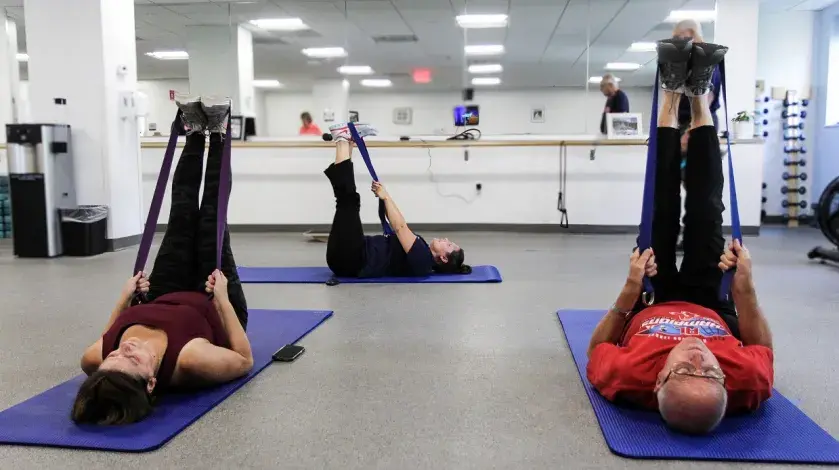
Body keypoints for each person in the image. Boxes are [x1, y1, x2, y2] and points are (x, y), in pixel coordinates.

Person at [585, 38, 774, 435]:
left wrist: (631, 286)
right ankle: (700, 94)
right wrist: (745, 288)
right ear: (725, 380)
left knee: (661, 207)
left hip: (653, 296)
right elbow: (763, 351)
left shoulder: (627, 376)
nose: (697, 357)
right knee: (707, 208)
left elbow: (596, 351)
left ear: (658, 382)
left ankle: (672, 93)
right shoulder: (749, 380)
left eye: (685, 370)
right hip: (712, 303)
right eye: (710, 372)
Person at [71, 97, 253, 425]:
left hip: (164, 292)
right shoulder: (192, 361)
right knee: (212, 213)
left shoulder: (93, 360)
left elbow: (110, 334)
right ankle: (220, 133)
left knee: (182, 210)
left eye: (114, 354)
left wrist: (125, 297)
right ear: (152, 382)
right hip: (211, 300)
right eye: (133, 357)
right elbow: (244, 359)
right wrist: (223, 299)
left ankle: (196, 132)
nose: (127, 347)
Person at [323, 122, 471, 278]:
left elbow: (399, 226)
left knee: (349, 201)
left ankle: (342, 140)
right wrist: (384, 197)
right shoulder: (423, 253)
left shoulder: (423, 260)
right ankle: (346, 142)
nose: (446, 239)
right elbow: (396, 226)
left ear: (443, 258)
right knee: (346, 201)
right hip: (348, 254)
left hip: (352, 260)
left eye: (448, 245)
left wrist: (386, 196)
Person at [672, 19, 722, 131]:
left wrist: (690, 130)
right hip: (687, 122)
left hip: (698, 124)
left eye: (677, 37)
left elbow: (707, 97)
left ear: (691, 34)